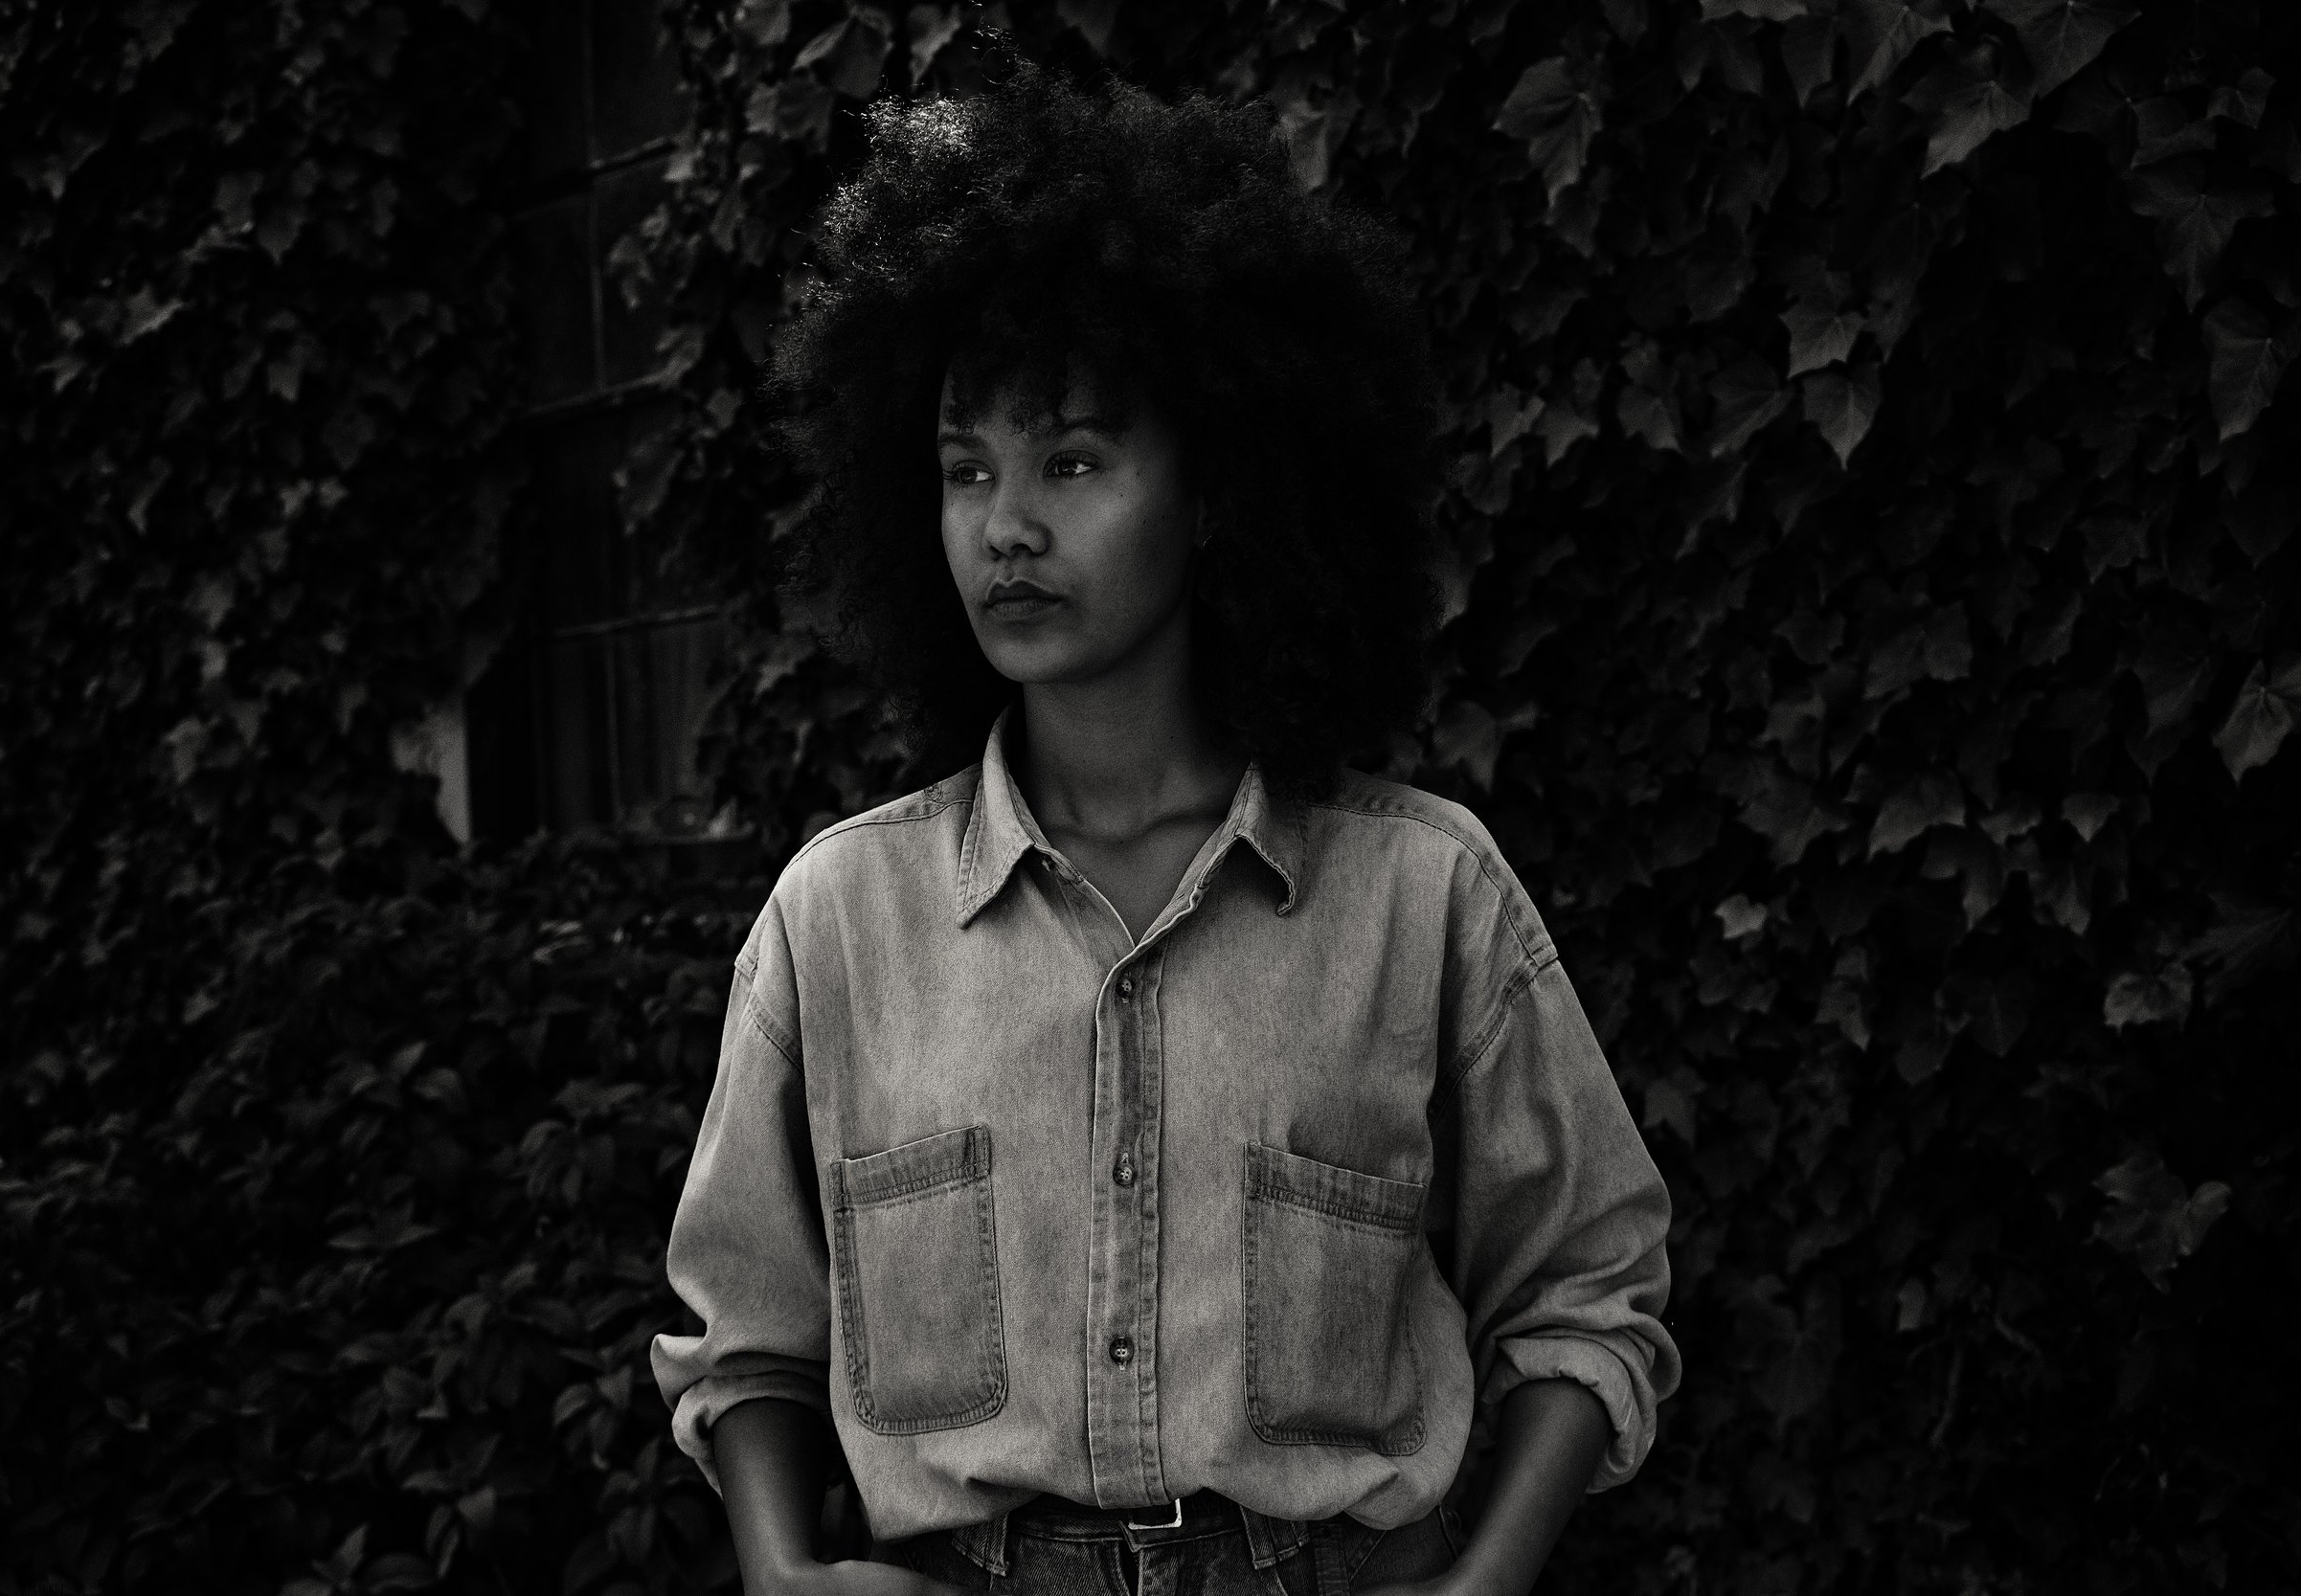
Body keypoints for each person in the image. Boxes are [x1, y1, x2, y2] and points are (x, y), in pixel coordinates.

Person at [652, 52, 1679, 1596]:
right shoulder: (838, 921)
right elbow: (748, 1338)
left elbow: (1588, 1292)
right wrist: (783, 1574)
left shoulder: (1421, 895)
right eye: (966, 469)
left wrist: (1482, 1588)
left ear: (1213, 494)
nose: (1007, 526)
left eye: (1072, 461)